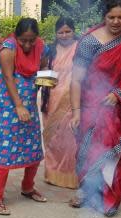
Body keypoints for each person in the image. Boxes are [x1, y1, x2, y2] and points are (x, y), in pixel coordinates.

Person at [69, 0, 121, 217]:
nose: (116, 22)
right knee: (86, 152)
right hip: (91, 108)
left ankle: (110, 199)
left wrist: (119, 94)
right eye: (111, 17)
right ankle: (87, 192)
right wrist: (76, 112)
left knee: (115, 156)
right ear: (103, 17)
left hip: (120, 112)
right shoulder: (89, 42)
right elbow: (76, 80)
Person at [0, 18, 48, 215]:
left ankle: (27, 187)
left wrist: (47, 82)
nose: (27, 45)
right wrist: (18, 105)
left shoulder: (41, 48)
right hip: (5, 107)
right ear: (16, 37)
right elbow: (8, 77)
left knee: (33, 148)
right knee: (3, 152)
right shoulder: (8, 48)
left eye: (31, 40)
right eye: (23, 40)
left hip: (28, 107)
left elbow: (40, 74)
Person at [41, 17, 79, 189]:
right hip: (52, 100)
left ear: (74, 31)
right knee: (52, 139)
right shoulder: (49, 49)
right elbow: (43, 73)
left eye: (67, 31)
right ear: (55, 34)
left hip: (73, 101)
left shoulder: (81, 48)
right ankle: (51, 174)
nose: (64, 35)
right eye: (60, 32)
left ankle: (70, 177)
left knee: (70, 140)